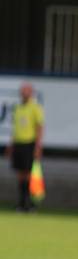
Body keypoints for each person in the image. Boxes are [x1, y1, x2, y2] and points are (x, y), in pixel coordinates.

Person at [5, 83, 44, 212]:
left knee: (28, 173)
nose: (24, 93)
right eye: (22, 91)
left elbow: (39, 128)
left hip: (29, 143)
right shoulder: (18, 108)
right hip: (18, 143)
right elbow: (15, 128)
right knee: (20, 174)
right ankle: (21, 202)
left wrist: (38, 146)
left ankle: (29, 203)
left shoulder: (35, 107)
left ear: (31, 92)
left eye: (26, 91)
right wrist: (11, 144)